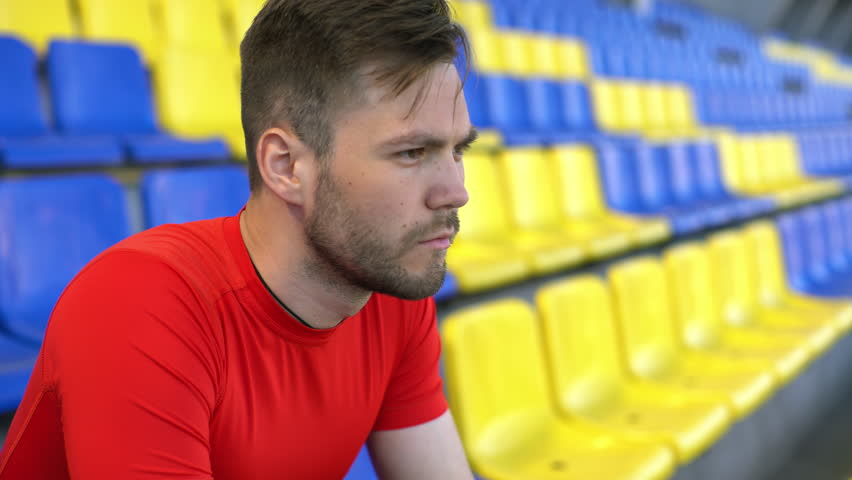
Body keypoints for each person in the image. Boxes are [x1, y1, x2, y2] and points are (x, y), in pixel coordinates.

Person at [0, 0, 477, 478]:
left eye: (458, 150)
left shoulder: (389, 284)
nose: (457, 192)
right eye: (413, 152)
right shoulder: (138, 303)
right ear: (286, 166)